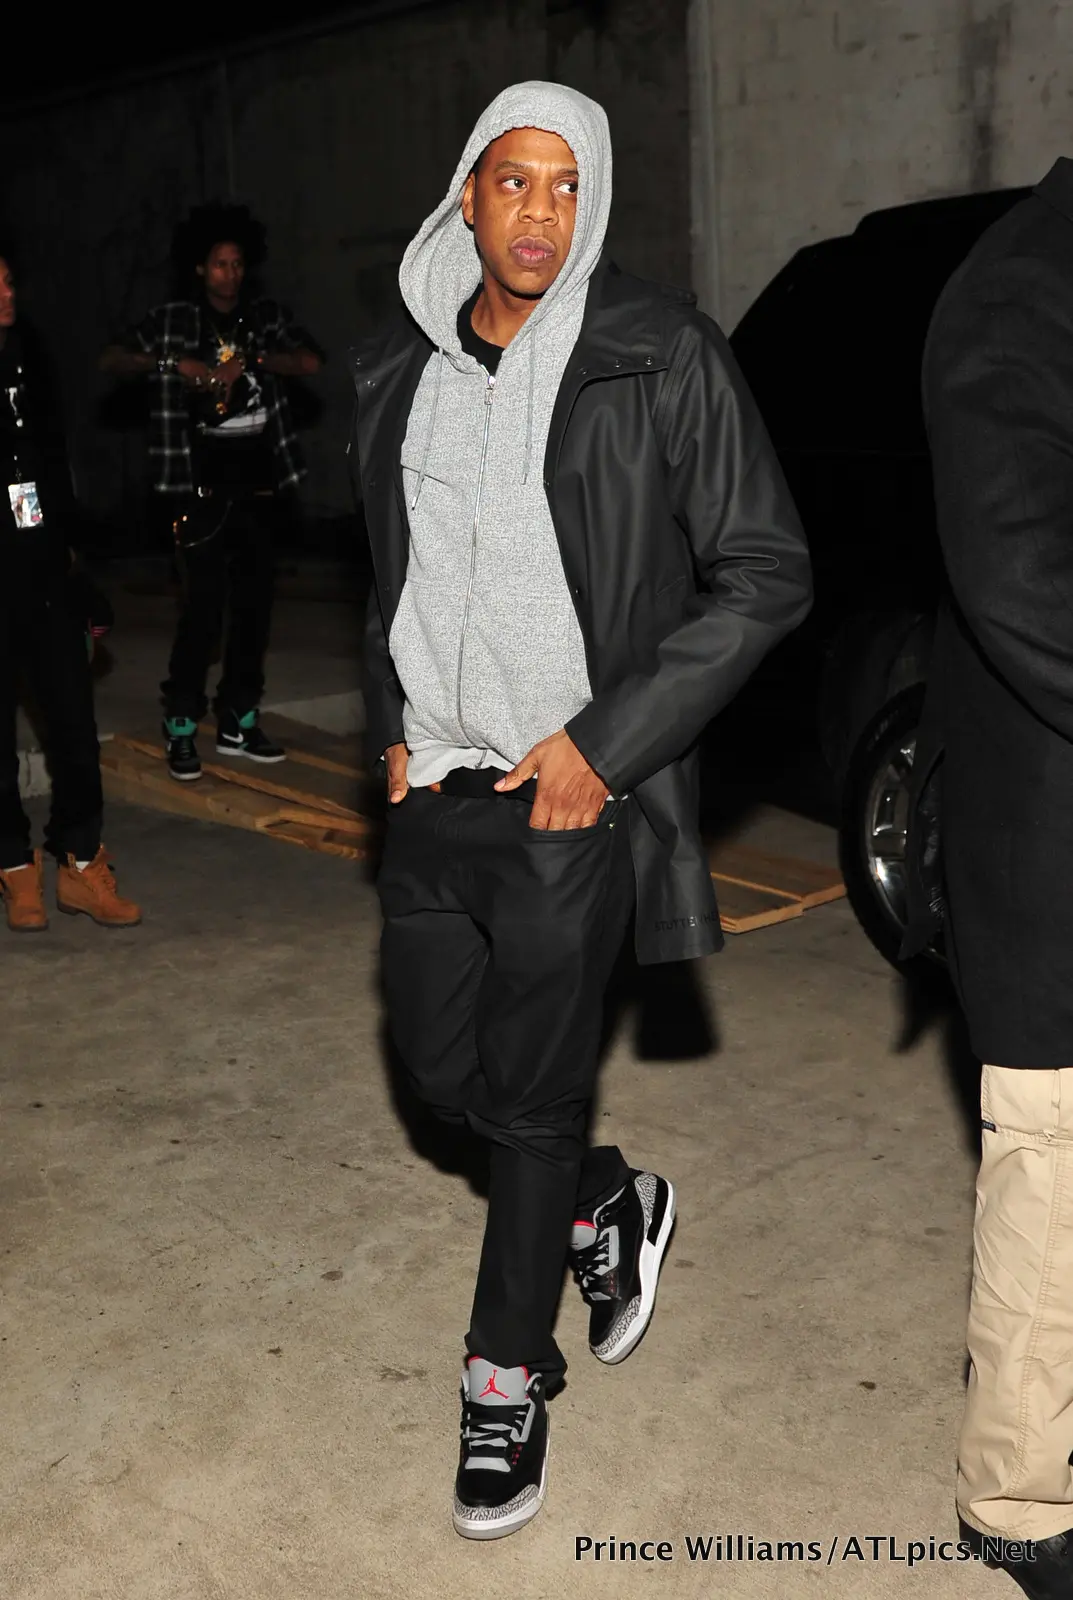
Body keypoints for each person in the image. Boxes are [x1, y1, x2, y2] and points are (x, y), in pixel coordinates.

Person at [351, 82, 811, 1540]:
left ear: (590, 201)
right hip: (436, 788)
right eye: (515, 181)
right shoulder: (401, 370)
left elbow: (766, 572)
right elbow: (393, 576)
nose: (541, 212)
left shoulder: (658, 354)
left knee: (533, 1100)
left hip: (569, 801)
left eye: (568, 185)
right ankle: (607, 1202)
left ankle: (504, 1376)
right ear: (467, 195)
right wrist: (390, 730)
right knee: (446, 1080)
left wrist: (603, 749)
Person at [905, 158, 1073, 1598]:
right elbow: (1019, 574)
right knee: (1049, 1162)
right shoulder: (1020, 288)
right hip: (1049, 837)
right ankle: (1017, 1499)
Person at [100, 205, 322, 781]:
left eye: (238, 263)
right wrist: (173, 363)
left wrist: (252, 360)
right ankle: (181, 723)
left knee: (254, 608)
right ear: (200, 268)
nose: (231, 274)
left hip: (259, 481)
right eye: (220, 264)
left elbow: (310, 360)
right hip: (198, 483)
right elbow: (113, 359)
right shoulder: (174, 319)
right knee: (202, 608)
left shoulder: (263, 317)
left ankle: (239, 719)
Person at [0, 246, 140, 931]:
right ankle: (13, 867)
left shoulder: (30, 354)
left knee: (75, 728)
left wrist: (74, 558)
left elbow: (55, 461)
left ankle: (81, 862)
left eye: (7, 280)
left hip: (45, 570)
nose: (6, 293)